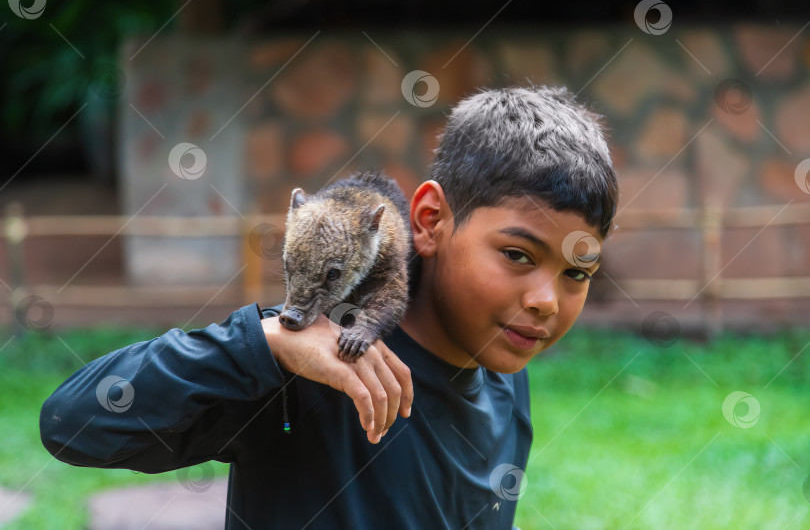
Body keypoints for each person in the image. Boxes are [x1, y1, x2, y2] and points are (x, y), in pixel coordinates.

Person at [40, 85, 618, 529]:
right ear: (430, 221)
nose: (545, 301)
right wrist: (263, 345)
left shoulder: (504, 381)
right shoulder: (305, 365)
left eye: (577, 272)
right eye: (518, 254)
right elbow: (71, 424)